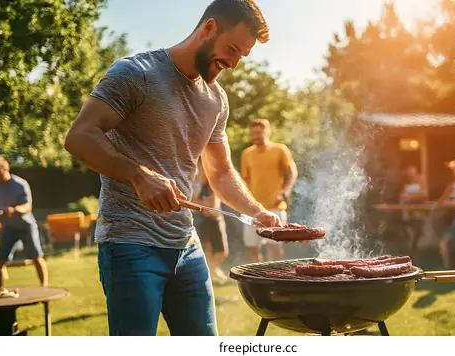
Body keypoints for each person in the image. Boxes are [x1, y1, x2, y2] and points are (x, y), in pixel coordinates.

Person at [64, 0, 279, 336]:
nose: (234, 63)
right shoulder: (136, 72)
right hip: (130, 243)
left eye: (242, 56)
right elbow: (79, 136)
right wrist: (138, 175)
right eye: (232, 49)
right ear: (209, 28)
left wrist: (258, 211)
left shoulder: (217, 101)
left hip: (187, 247)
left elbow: (220, 172)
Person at [241, 119, 298, 263]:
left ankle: (278, 280)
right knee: (253, 249)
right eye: (253, 133)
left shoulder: (280, 149)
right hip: (252, 210)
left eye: (259, 133)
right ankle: (256, 281)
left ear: (268, 132)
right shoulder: (246, 153)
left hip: (275, 208)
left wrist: (285, 192)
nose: (255, 136)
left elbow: (292, 172)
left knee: (275, 249)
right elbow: (245, 180)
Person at [0, 157, 48, 288]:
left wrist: (14, 209)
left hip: (26, 226)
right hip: (8, 228)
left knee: (36, 257)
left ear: (6, 169)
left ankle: (44, 287)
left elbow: (27, 206)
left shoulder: (19, 184)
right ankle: (0, 291)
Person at [192, 160, 229, 284]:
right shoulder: (202, 185)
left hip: (213, 219)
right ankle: (208, 273)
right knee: (213, 251)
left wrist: (198, 202)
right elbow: (209, 210)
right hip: (209, 220)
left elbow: (211, 208)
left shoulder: (210, 184)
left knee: (217, 252)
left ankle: (210, 273)